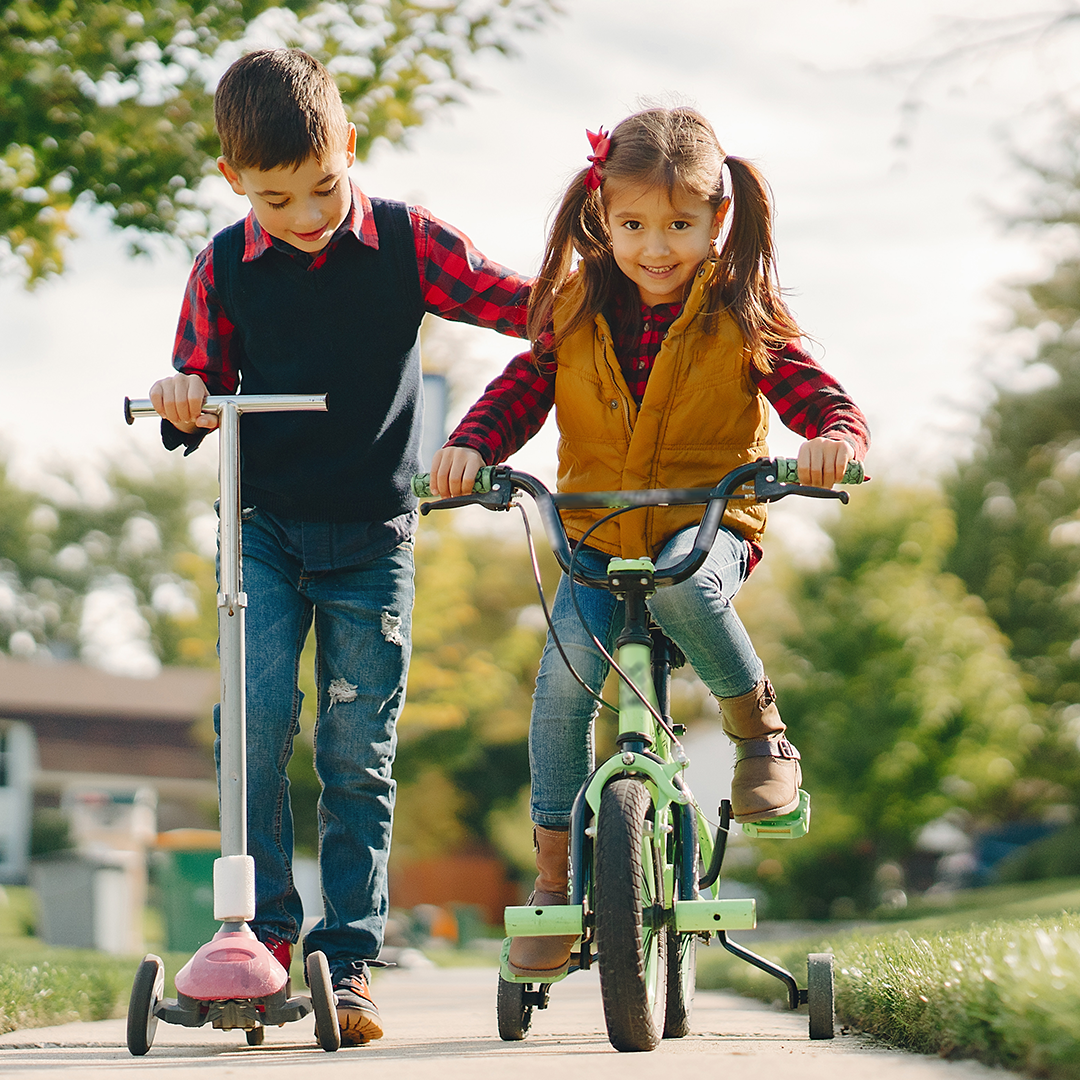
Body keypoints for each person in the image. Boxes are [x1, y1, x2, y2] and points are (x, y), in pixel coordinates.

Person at [429, 107, 870, 980]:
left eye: (678, 225)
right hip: (594, 539)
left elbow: (817, 394)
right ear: (603, 218)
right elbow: (522, 388)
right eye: (633, 225)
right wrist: (472, 447)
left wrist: (836, 442)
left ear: (717, 222)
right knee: (559, 689)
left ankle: (761, 739)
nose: (655, 247)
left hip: (709, 531)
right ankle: (554, 881)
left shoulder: (742, 313)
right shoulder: (575, 307)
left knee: (682, 582)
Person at [149, 48, 531, 1043]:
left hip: (371, 537)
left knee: (357, 753)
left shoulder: (407, 241)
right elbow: (195, 387)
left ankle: (348, 959)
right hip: (264, 532)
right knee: (257, 733)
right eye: (278, 199)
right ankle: (264, 941)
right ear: (235, 180)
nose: (308, 215)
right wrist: (183, 398)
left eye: (323, 187)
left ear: (348, 149)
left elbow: (520, 305)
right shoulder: (224, 265)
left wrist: (615, 299)